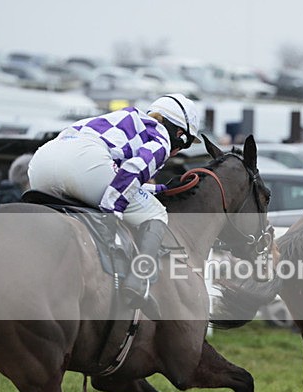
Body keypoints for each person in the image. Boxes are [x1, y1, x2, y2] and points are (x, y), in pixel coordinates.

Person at [28, 94, 200, 318]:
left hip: (40, 164)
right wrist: (111, 211)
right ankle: (138, 283)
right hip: (84, 165)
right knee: (156, 213)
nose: (178, 150)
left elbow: (115, 178)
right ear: (179, 133)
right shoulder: (161, 139)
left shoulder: (120, 119)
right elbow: (132, 172)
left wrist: (160, 189)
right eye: (184, 144)